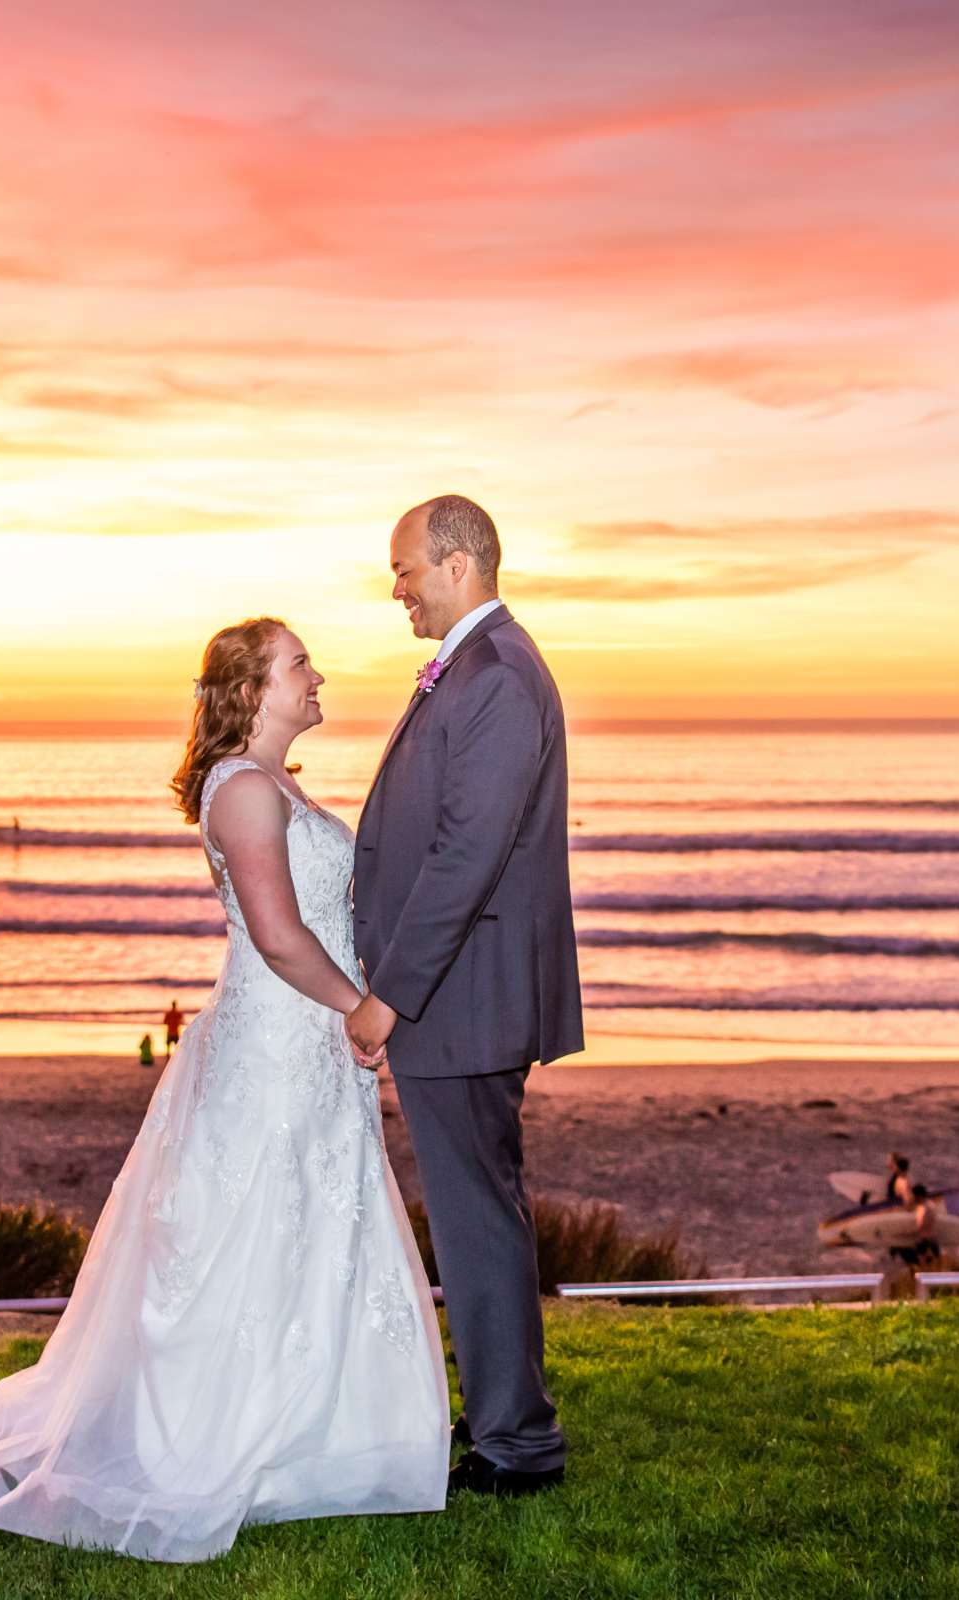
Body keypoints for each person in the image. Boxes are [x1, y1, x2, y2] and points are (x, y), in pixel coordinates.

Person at [0, 618, 445, 1562]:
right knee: (251, 1228)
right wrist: (363, 1011)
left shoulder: (276, 784)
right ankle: (220, 1441)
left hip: (304, 1040)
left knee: (315, 1224)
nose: (319, 674)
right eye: (302, 664)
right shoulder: (244, 792)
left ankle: (318, 1443)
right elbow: (279, 935)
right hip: (283, 1035)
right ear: (254, 689)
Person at [346, 494, 582, 1499]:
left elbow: (466, 857)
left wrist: (388, 994)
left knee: (478, 1217)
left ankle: (515, 1444)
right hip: (463, 995)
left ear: (456, 565)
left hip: (460, 999)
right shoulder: (481, 668)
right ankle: (503, 1418)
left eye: (403, 569)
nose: (393, 587)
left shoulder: (495, 675)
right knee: (482, 1212)